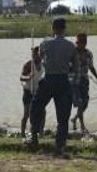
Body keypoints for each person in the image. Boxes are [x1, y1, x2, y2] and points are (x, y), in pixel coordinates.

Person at [28, 17, 78, 157]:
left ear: (53, 29)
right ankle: (59, 146)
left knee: (35, 107)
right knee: (63, 117)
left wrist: (37, 57)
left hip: (49, 79)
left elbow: (39, 62)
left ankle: (34, 135)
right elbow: (75, 68)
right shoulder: (71, 46)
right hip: (63, 81)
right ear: (64, 29)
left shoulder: (45, 43)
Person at [70, 33, 97, 134]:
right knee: (80, 102)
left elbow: (91, 67)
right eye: (78, 42)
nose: (80, 44)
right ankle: (82, 126)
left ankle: (75, 118)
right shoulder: (72, 53)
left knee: (85, 103)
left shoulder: (89, 53)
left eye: (82, 42)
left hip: (84, 80)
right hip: (73, 81)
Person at [19, 46, 44, 138]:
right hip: (28, 91)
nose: (35, 56)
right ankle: (22, 133)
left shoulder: (43, 65)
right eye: (33, 54)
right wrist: (28, 77)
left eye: (37, 54)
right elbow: (21, 77)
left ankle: (41, 133)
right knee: (27, 113)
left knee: (42, 112)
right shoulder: (28, 65)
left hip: (38, 91)